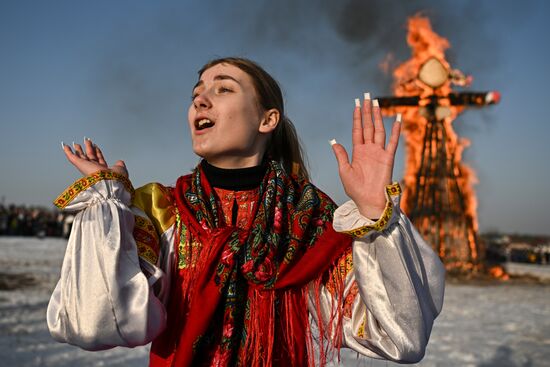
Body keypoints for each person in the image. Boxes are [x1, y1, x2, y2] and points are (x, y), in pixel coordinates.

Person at [47, 57, 445, 366]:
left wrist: (377, 216)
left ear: (267, 119)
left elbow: (399, 336)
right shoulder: (161, 211)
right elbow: (97, 322)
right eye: (196, 92)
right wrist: (107, 201)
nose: (200, 99)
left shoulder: (311, 221)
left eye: (223, 89)